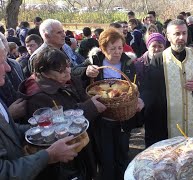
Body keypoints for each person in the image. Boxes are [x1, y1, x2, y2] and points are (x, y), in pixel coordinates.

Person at [0, 35, 81, 180]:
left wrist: (46, 128)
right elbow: (4, 172)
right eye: (1, 62)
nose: (7, 68)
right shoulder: (39, 95)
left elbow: (10, 131)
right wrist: (48, 156)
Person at [19, 47, 106, 179]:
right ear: (45, 73)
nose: (68, 71)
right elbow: (55, 128)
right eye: (61, 70)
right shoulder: (37, 97)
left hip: (83, 145)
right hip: (66, 160)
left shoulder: (68, 79)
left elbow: (80, 97)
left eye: (68, 66)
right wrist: (90, 108)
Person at [72, 28, 144, 180]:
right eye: (112, 48)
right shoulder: (95, 61)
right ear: (103, 49)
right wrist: (86, 70)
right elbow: (73, 72)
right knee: (105, 156)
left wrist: (139, 98)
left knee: (123, 153)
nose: (117, 52)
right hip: (102, 118)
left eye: (119, 47)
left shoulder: (128, 62)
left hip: (122, 118)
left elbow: (136, 85)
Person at [140, 19, 193, 147]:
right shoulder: (159, 59)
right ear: (168, 36)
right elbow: (149, 90)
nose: (181, 37)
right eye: (177, 34)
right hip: (167, 121)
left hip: (191, 118)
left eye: (184, 33)